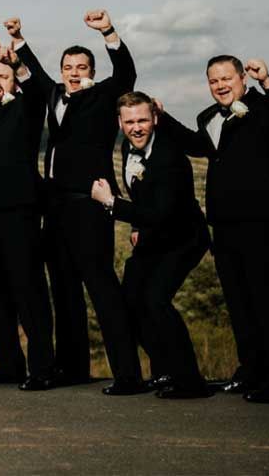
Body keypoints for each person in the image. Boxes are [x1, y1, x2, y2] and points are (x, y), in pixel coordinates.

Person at [158, 56, 269, 403]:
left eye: (227, 78)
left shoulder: (266, 107)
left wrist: (268, 81)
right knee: (239, 302)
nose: (220, 85)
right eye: (213, 80)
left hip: (263, 222)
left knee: (268, 301)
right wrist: (162, 119)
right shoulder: (207, 117)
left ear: (242, 78)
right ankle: (251, 371)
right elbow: (197, 146)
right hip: (223, 226)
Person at [12, 11, 143, 394]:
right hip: (55, 208)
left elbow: (127, 75)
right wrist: (19, 40)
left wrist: (108, 32)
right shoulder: (53, 94)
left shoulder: (104, 96)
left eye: (80, 66)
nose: (73, 72)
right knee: (64, 290)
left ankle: (128, 375)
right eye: (68, 67)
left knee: (101, 288)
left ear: (91, 70)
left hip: (90, 205)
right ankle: (72, 368)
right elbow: (35, 75)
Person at [89, 91, 211, 399]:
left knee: (156, 300)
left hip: (184, 238)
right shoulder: (129, 149)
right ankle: (167, 368)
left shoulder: (169, 158)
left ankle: (189, 381)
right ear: (120, 123)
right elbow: (145, 201)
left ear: (155, 118)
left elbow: (161, 213)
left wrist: (111, 204)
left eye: (142, 120)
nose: (136, 127)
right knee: (129, 301)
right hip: (153, 237)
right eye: (129, 121)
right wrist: (136, 226)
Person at [0, 31, 56, 390]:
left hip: (18, 212)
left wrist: (18, 62)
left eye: (2, 77)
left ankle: (42, 369)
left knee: (28, 290)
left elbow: (39, 90)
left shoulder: (27, 108)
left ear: (14, 83)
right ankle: (9, 364)